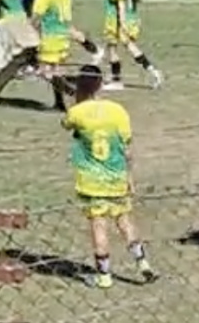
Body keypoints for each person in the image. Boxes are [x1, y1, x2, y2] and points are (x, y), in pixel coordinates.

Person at [60, 64, 157, 289]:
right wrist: (129, 178)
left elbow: (66, 124)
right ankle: (142, 263)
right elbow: (127, 149)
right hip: (116, 177)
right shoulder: (118, 111)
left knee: (98, 226)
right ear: (101, 84)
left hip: (91, 181)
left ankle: (104, 275)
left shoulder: (77, 113)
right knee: (125, 220)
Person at [101, 0, 163, 90]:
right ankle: (152, 71)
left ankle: (118, 81)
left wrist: (122, 23)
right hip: (130, 17)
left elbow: (120, 3)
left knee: (115, 48)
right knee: (126, 47)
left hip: (116, 18)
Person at [32, 0, 74, 112]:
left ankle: (72, 92)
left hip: (50, 36)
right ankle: (60, 103)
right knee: (57, 70)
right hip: (64, 34)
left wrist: (29, 31)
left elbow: (37, 15)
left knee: (44, 71)